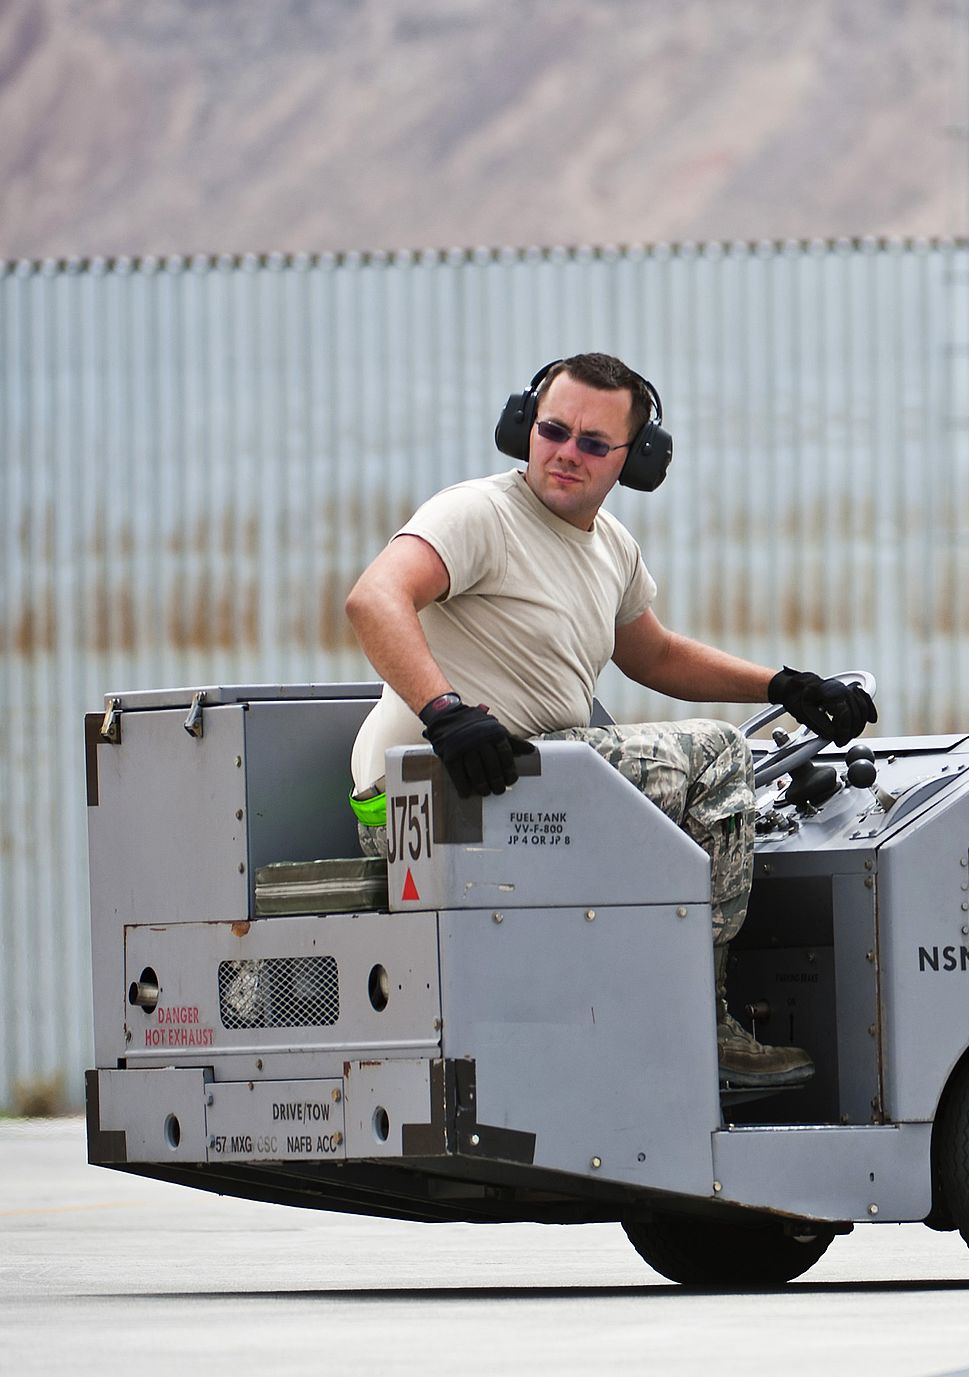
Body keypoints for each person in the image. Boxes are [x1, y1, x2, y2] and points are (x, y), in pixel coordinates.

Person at [342, 353, 875, 1089]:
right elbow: (375, 599)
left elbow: (652, 654)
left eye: (594, 444)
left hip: (522, 786)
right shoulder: (478, 514)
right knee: (717, 756)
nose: (566, 454)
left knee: (675, 775)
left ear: (636, 460)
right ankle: (700, 1024)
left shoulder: (611, 548)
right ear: (522, 427)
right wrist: (445, 714)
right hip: (432, 795)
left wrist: (783, 685)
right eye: (553, 430)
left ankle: (634, 1008)